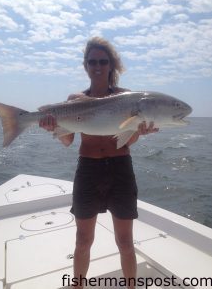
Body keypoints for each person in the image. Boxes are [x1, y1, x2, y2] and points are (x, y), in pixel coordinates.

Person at [39, 37, 158, 289]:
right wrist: (54, 127)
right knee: (83, 240)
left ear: (111, 65)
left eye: (103, 61)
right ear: (85, 65)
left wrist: (139, 130)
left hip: (120, 169)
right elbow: (68, 140)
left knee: (125, 242)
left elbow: (127, 141)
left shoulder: (127, 98)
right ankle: (78, 285)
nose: (97, 66)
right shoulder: (76, 98)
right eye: (92, 61)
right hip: (89, 170)